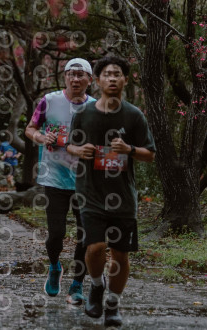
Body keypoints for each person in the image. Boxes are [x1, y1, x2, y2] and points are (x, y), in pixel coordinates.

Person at [66, 55, 156, 326]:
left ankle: (113, 303)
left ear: (125, 80)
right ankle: (96, 286)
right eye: (107, 74)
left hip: (123, 197)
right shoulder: (84, 114)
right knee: (95, 247)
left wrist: (129, 149)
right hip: (90, 193)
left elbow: (150, 154)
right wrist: (79, 150)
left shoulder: (134, 115)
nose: (112, 78)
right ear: (98, 80)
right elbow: (70, 145)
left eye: (117, 74)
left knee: (120, 254)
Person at [24, 58, 96, 304]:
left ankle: (77, 284)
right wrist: (42, 137)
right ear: (64, 77)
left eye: (80, 75)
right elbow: (30, 128)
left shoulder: (96, 107)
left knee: (85, 235)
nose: (75, 79)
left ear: (89, 80)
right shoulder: (49, 101)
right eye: (70, 74)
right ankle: (55, 266)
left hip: (85, 181)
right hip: (54, 177)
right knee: (56, 234)